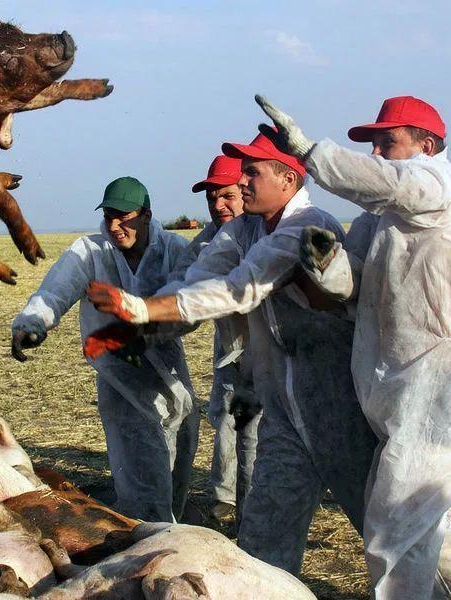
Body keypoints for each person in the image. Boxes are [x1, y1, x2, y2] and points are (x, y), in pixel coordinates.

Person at [85, 133, 381, 577]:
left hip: (336, 407)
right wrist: (141, 326)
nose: (240, 183)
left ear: (288, 179)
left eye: (251, 173)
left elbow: (240, 288)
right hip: (284, 411)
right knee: (264, 537)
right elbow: (194, 280)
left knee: (386, 528)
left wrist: (144, 310)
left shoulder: (307, 226)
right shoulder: (241, 231)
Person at [257, 94, 451, 600]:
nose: (377, 154)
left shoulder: (445, 182)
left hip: (440, 386)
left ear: (428, 146)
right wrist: (329, 267)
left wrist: (310, 151)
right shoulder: (377, 220)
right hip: (396, 385)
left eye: (388, 141)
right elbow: (354, 286)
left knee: (393, 532)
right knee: (421, 522)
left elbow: (390, 182)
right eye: (373, 145)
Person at [10, 176, 201, 522]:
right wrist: (32, 323)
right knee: (139, 460)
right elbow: (55, 290)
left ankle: (173, 524)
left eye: (123, 217)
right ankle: (147, 531)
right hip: (119, 376)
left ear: (146, 215)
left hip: (169, 369)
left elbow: (192, 302)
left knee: (182, 445)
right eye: (109, 216)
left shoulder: (174, 249)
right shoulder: (90, 252)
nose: (114, 226)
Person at [190, 155, 260, 521]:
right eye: (212, 197)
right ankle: (226, 496)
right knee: (226, 417)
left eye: (227, 195)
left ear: (245, 191)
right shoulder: (206, 241)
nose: (218, 205)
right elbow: (183, 280)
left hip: (269, 349)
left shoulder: (264, 234)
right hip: (231, 347)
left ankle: (252, 508)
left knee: (255, 430)